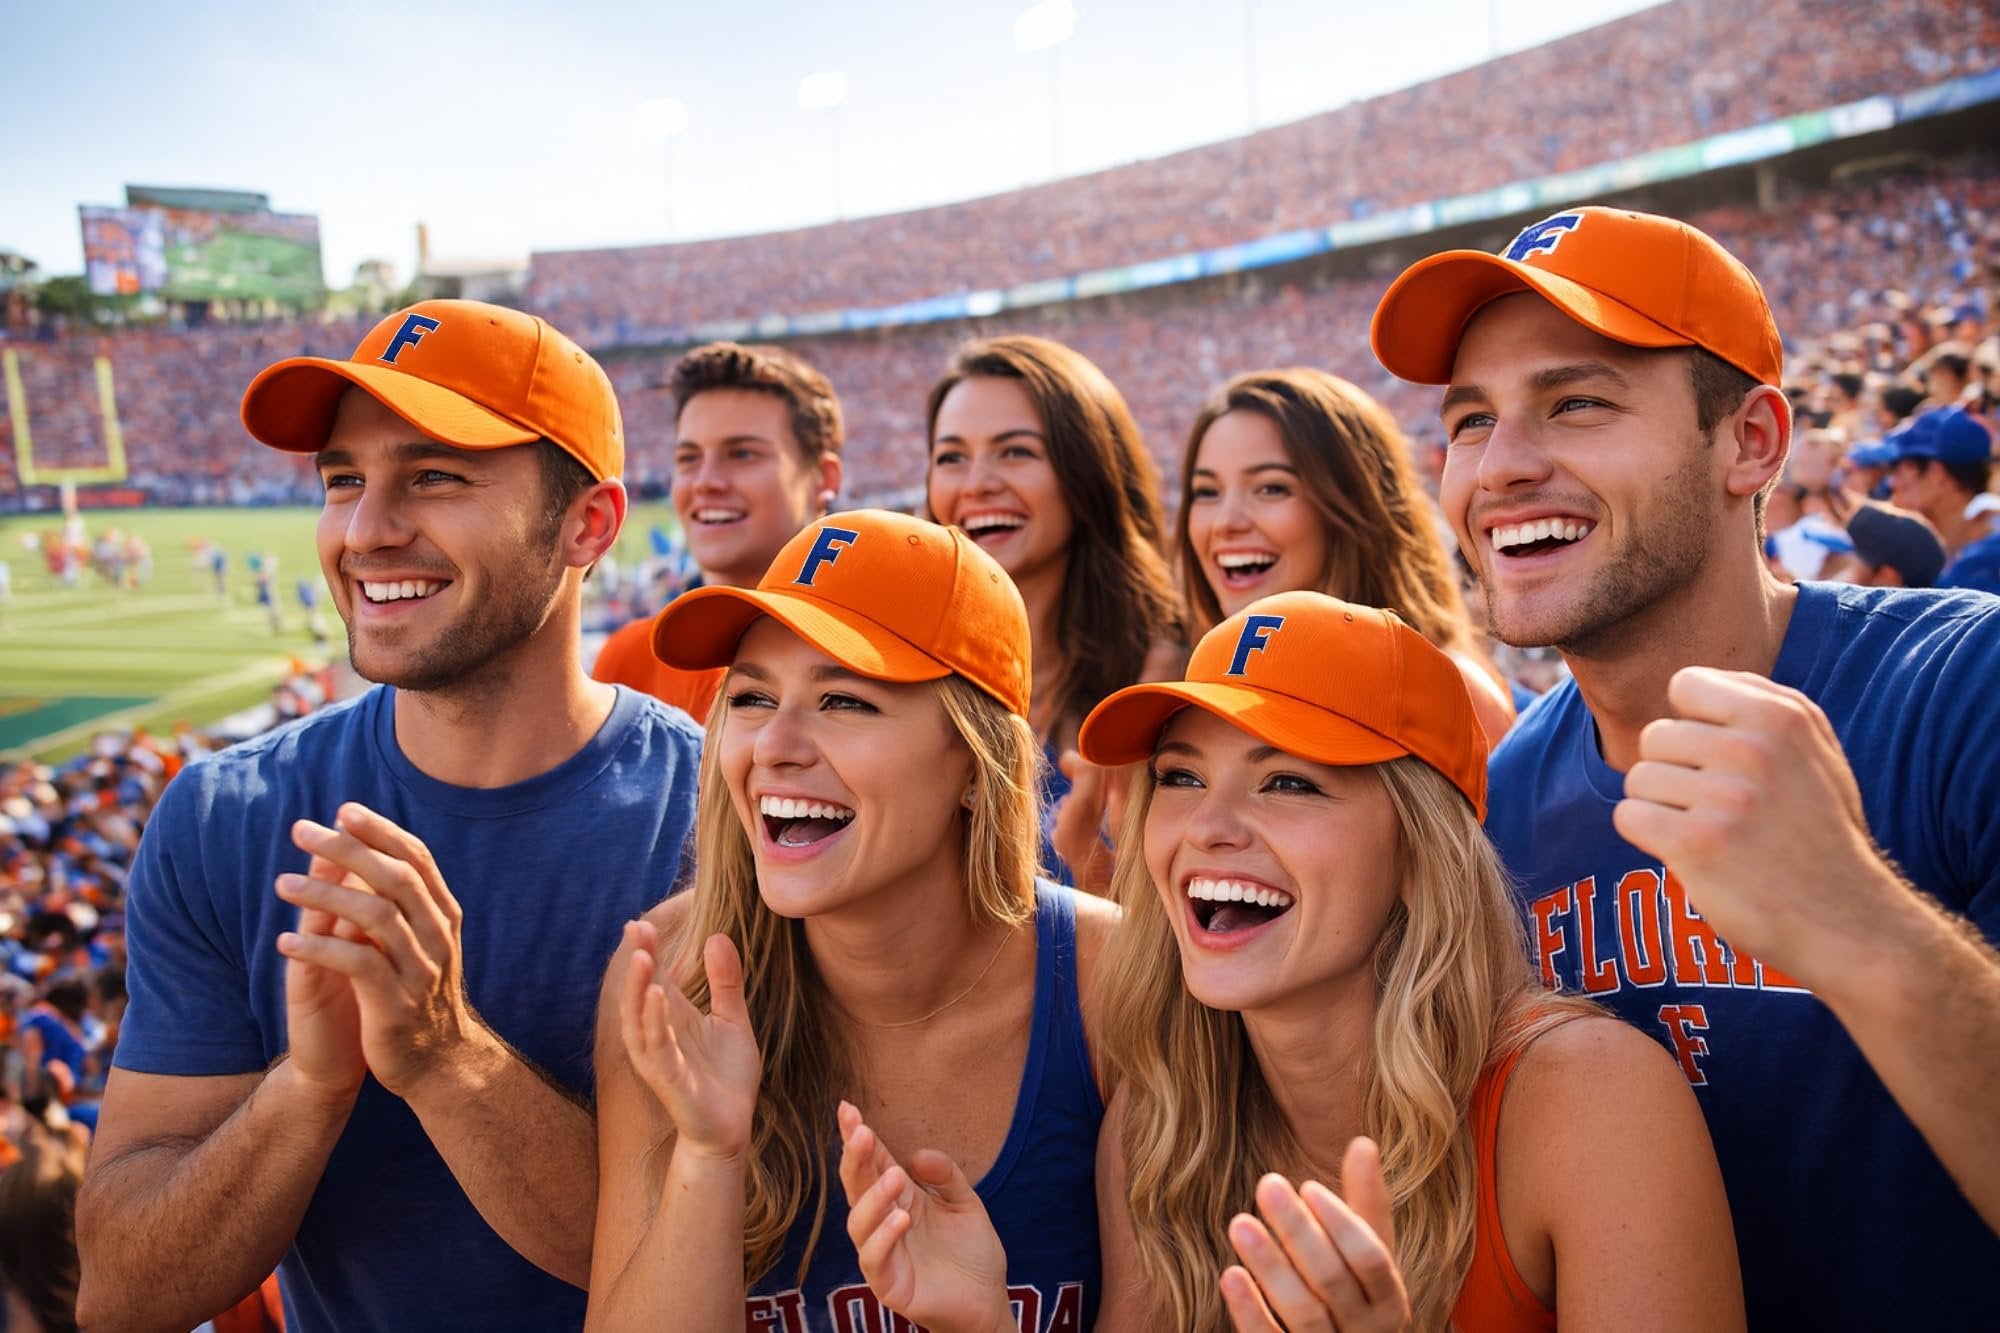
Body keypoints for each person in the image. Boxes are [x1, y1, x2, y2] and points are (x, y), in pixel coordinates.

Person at [1371, 204, 2000, 1327]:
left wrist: (1855, 919)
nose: (1499, 466)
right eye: (1468, 422)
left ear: (1749, 441)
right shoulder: (1503, 802)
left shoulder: (1962, 688)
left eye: (1575, 403)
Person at [841, 593, 1740, 1330]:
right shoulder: (1163, 1130)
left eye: (1289, 782)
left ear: (1419, 854)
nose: (1208, 827)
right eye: (1182, 777)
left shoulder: (1587, 1099)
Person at [75, 299, 706, 1332]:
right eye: (341, 481)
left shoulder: (727, 821)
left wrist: (445, 1054)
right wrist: (309, 1088)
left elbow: (743, 1255)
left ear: (587, 522)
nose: (366, 531)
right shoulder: (223, 819)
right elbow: (123, 1294)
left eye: (434, 476)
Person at [587, 509, 1115, 1333]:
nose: (776, 746)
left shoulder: (1107, 983)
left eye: (844, 700)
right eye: (754, 696)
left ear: (977, 765)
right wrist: (709, 1153)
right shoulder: (674, 976)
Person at [925, 335, 1182, 885]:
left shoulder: (1161, 688)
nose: (977, 484)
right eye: (951, 458)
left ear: (1087, 470)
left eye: (1015, 451)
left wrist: (1099, 872)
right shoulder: (907, 675)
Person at [1175, 367, 1515, 743]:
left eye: (1271, 488)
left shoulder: (1445, 693)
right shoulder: (1201, 684)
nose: (1225, 523)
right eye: (1206, 492)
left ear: (1355, 505)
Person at [594, 342, 844, 722]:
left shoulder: (865, 657)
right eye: (689, 458)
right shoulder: (631, 658)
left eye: (742, 453)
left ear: (822, 478)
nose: (706, 482)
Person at [1883, 406, 2000, 594]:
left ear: (1939, 476)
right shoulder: (1954, 546)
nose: (1892, 483)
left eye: (1902, 467)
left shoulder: (1989, 553)